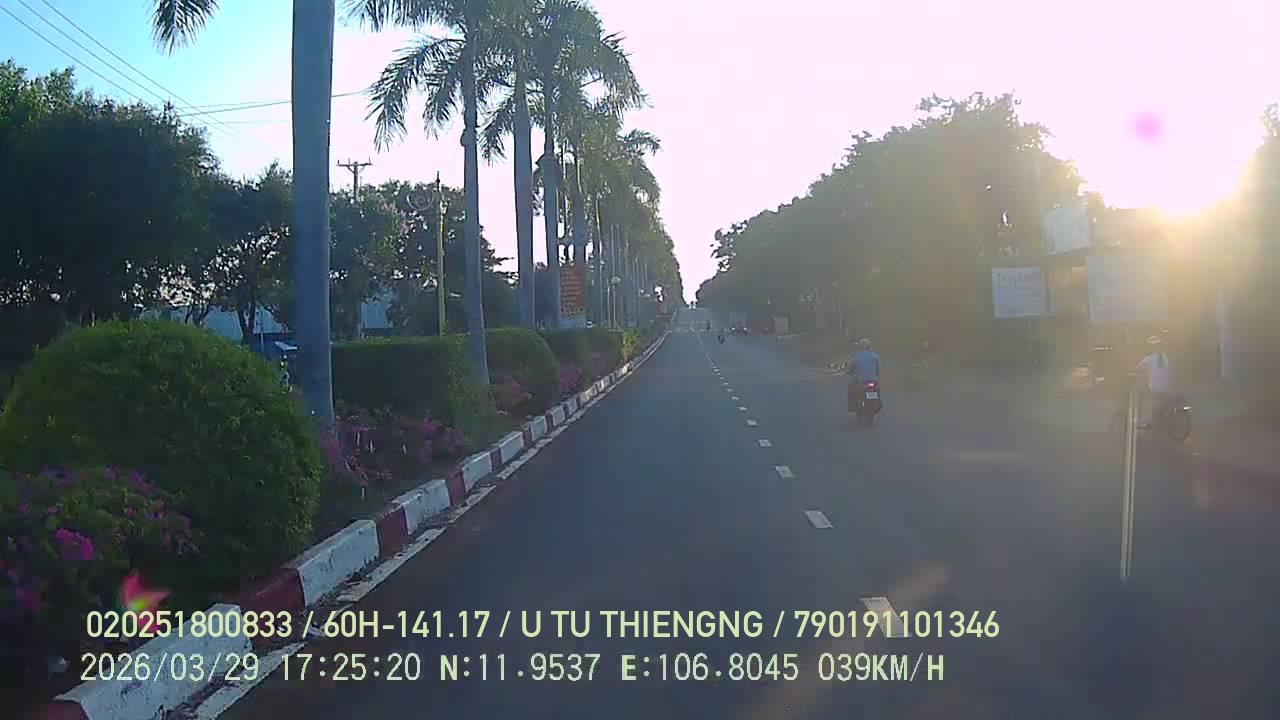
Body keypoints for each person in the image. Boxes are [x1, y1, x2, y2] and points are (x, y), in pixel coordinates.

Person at [1135, 334, 1173, 428]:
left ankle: (1143, 420)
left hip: (1154, 387)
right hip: (1166, 387)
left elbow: (1138, 367)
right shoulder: (1164, 357)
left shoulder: (1149, 358)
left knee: (1141, 396)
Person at [847, 338, 881, 409]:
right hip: (872, 381)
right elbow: (877, 369)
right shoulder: (875, 356)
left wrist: (849, 372)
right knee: (877, 388)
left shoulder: (856, 357)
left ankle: (851, 406)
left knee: (851, 388)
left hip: (860, 381)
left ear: (860, 347)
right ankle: (878, 402)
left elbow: (851, 367)